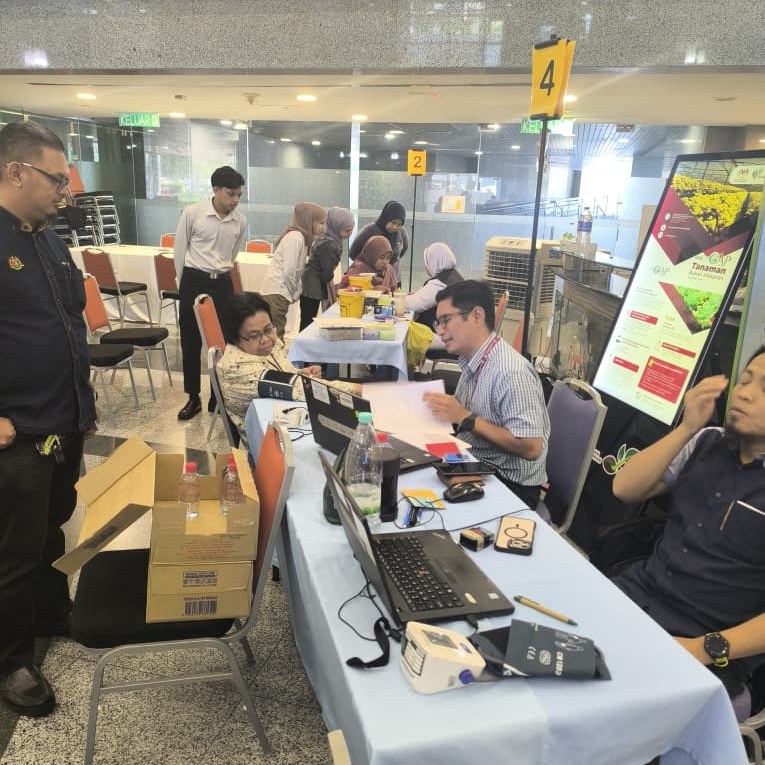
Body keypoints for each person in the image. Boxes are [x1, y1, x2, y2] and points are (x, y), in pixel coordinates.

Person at [0, 121, 97, 717]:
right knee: (13, 550)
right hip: (17, 428)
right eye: (56, 179)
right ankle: (12, 658)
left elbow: (70, 325)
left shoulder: (49, 240)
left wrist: (84, 406)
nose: (65, 191)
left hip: (63, 418)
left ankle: (51, 612)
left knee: (52, 526)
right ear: (15, 172)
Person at [611, 351, 765, 706]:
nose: (745, 393)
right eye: (744, 380)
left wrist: (704, 648)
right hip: (639, 594)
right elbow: (624, 488)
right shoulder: (706, 441)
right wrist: (687, 427)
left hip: (708, 641)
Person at [423, 280, 549, 507]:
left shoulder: (511, 372)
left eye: (446, 320)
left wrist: (464, 417)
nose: (439, 331)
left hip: (509, 483)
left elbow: (532, 447)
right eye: (437, 323)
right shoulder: (473, 359)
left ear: (477, 316)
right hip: (474, 462)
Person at [217, 294, 359, 445]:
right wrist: (356, 389)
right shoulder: (237, 369)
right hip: (272, 443)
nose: (266, 339)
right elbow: (299, 388)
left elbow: (280, 376)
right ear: (235, 339)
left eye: (268, 329)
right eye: (254, 335)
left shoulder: (265, 346)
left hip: (292, 416)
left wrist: (299, 373)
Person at [173, 166, 247, 420]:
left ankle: (218, 396)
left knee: (222, 340)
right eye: (231, 194)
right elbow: (179, 251)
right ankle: (193, 397)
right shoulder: (193, 213)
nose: (235, 200)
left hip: (223, 282)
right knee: (191, 340)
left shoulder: (240, 221)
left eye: (239, 195)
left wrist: (221, 271)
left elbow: (233, 254)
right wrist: (183, 286)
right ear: (216, 190)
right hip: (193, 279)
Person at [261, 202, 326, 339]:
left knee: (277, 331)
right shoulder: (296, 238)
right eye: (321, 223)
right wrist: (294, 291)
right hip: (277, 292)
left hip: (279, 292)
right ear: (309, 222)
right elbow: (289, 270)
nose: (323, 227)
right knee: (276, 334)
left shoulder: (300, 238)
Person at [299, 206, 354, 331]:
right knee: (308, 318)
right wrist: (332, 284)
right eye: (347, 230)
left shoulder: (328, 238)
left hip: (311, 281)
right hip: (313, 285)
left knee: (307, 316)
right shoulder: (330, 244)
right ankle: (303, 341)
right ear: (336, 227)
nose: (350, 233)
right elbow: (326, 273)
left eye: (351, 230)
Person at [405, 242, 464, 331]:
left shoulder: (440, 283)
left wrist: (397, 299)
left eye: (427, 262)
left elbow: (413, 305)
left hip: (439, 333)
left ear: (433, 261)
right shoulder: (452, 275)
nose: (425, 267)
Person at [348, 200, 408, 286]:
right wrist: (369, 266)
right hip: (370, 279)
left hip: (394, 278)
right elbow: (353, 252)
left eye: (399, 224)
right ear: (386, 218)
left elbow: (402, 251)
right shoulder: (369, 231)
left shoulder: (401, 233)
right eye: (393, 222)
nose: (395, 227)